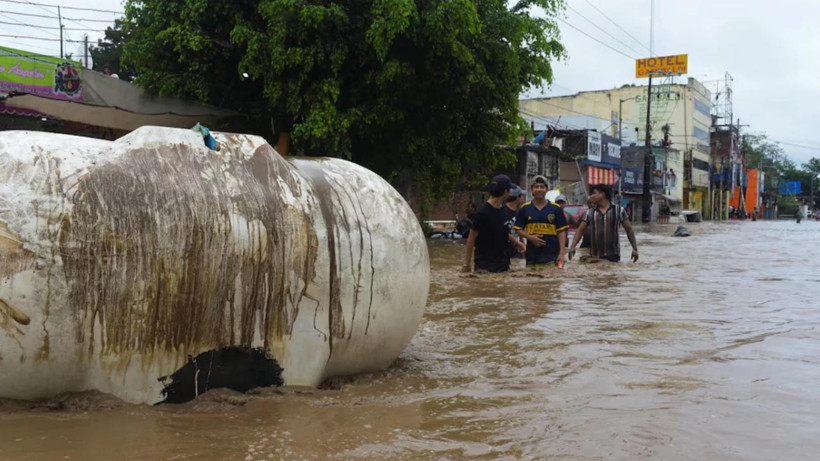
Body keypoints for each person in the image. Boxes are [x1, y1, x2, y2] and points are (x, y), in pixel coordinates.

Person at [463, 175, 526, 272]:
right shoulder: (483, 213)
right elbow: (471, 239)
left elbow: (502, 230)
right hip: (485, 265)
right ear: (506, 192)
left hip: (503, 264)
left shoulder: (504, 209)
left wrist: (517, 242)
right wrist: (467, 265)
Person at [569, 184, 638, 263]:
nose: (591, 196)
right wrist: (573, 247)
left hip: (613, 257)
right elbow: (580, 230)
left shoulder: (619, 210)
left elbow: (629, 229)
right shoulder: (589, 213)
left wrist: (635, 249)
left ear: (602, 194)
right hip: (594, 257)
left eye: (594, 193)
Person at [514, 175, 568, 267]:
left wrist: (562, 254)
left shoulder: (556, 209)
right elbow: (518, 229)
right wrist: (530, 238)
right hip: (532, 256)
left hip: (551, 256)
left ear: (547, 189)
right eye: (536, 187)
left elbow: (561, 232)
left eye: (542, 187)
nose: (539, 189)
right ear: (532, 190)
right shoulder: (525, 208)